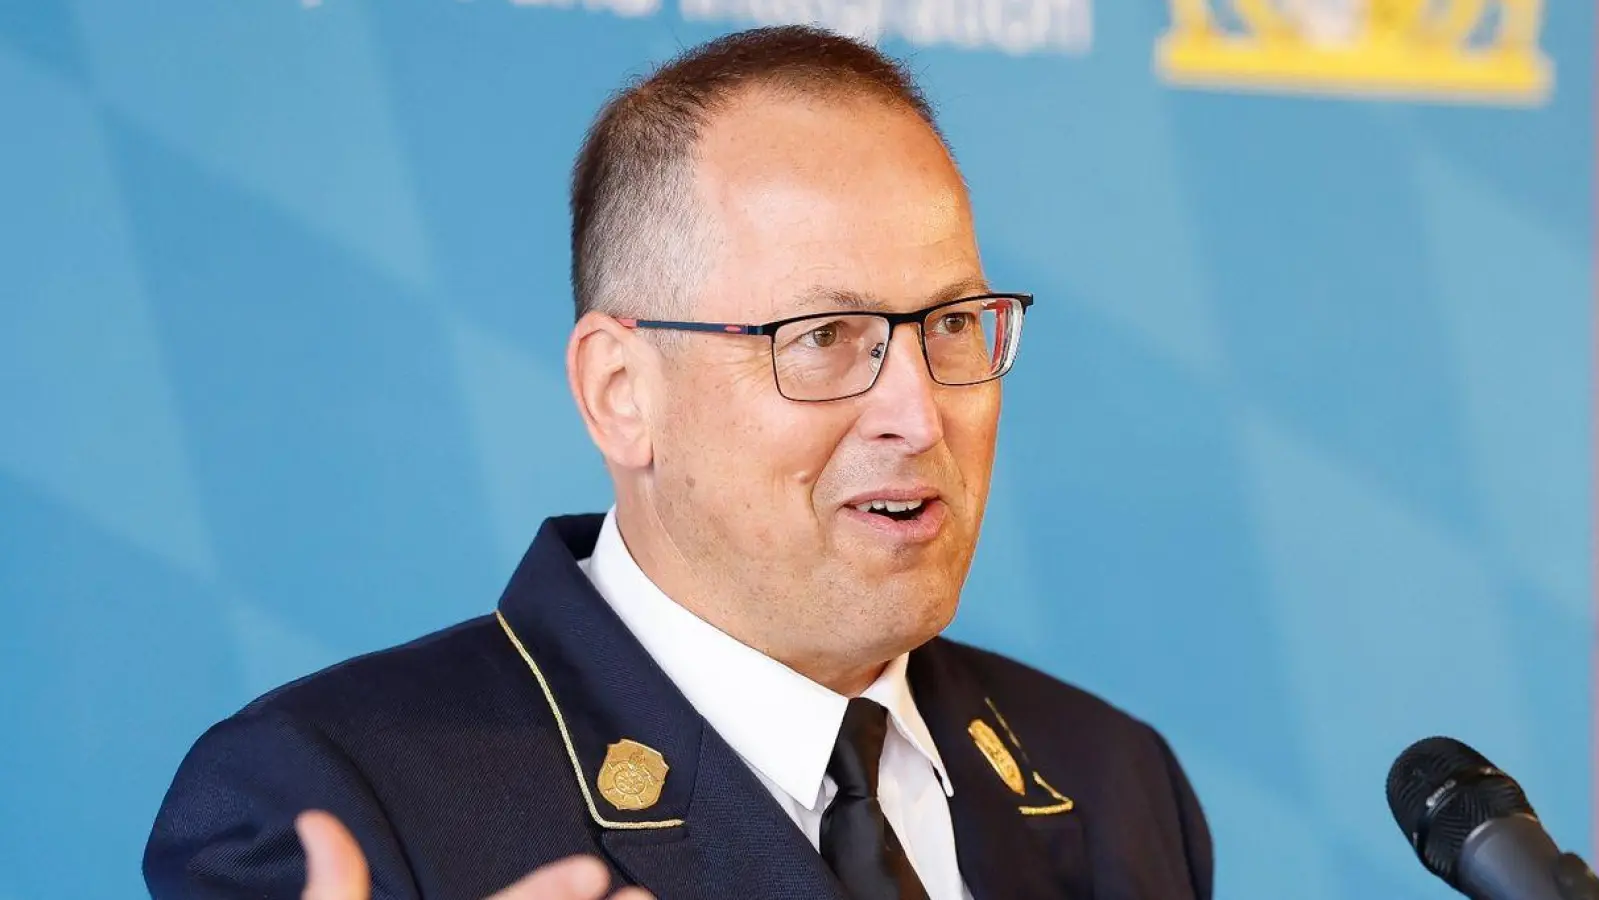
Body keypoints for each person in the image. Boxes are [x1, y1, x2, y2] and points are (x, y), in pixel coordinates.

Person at [144, 25, 1213, 900]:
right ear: (622, 394)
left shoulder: (1112, 781)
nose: (916, 412)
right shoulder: (328, 799)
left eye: (951, 325)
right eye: (825, 337)